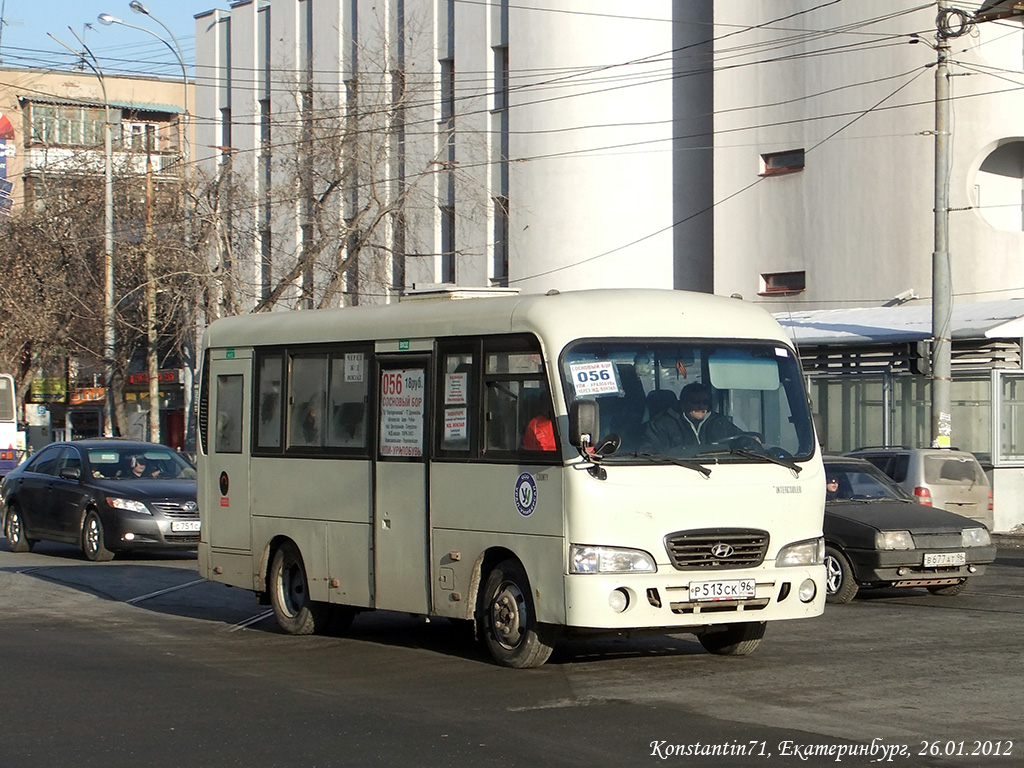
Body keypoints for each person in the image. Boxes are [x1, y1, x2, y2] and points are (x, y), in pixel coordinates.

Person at [639, 381, 742, 453]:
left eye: (705, 402)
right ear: (683, 404)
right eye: (696, 402)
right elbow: (648, 452)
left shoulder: (720, 423)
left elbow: (742, 439)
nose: (701, 406)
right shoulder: (662, 425)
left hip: (718, 471)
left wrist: (752, 440)